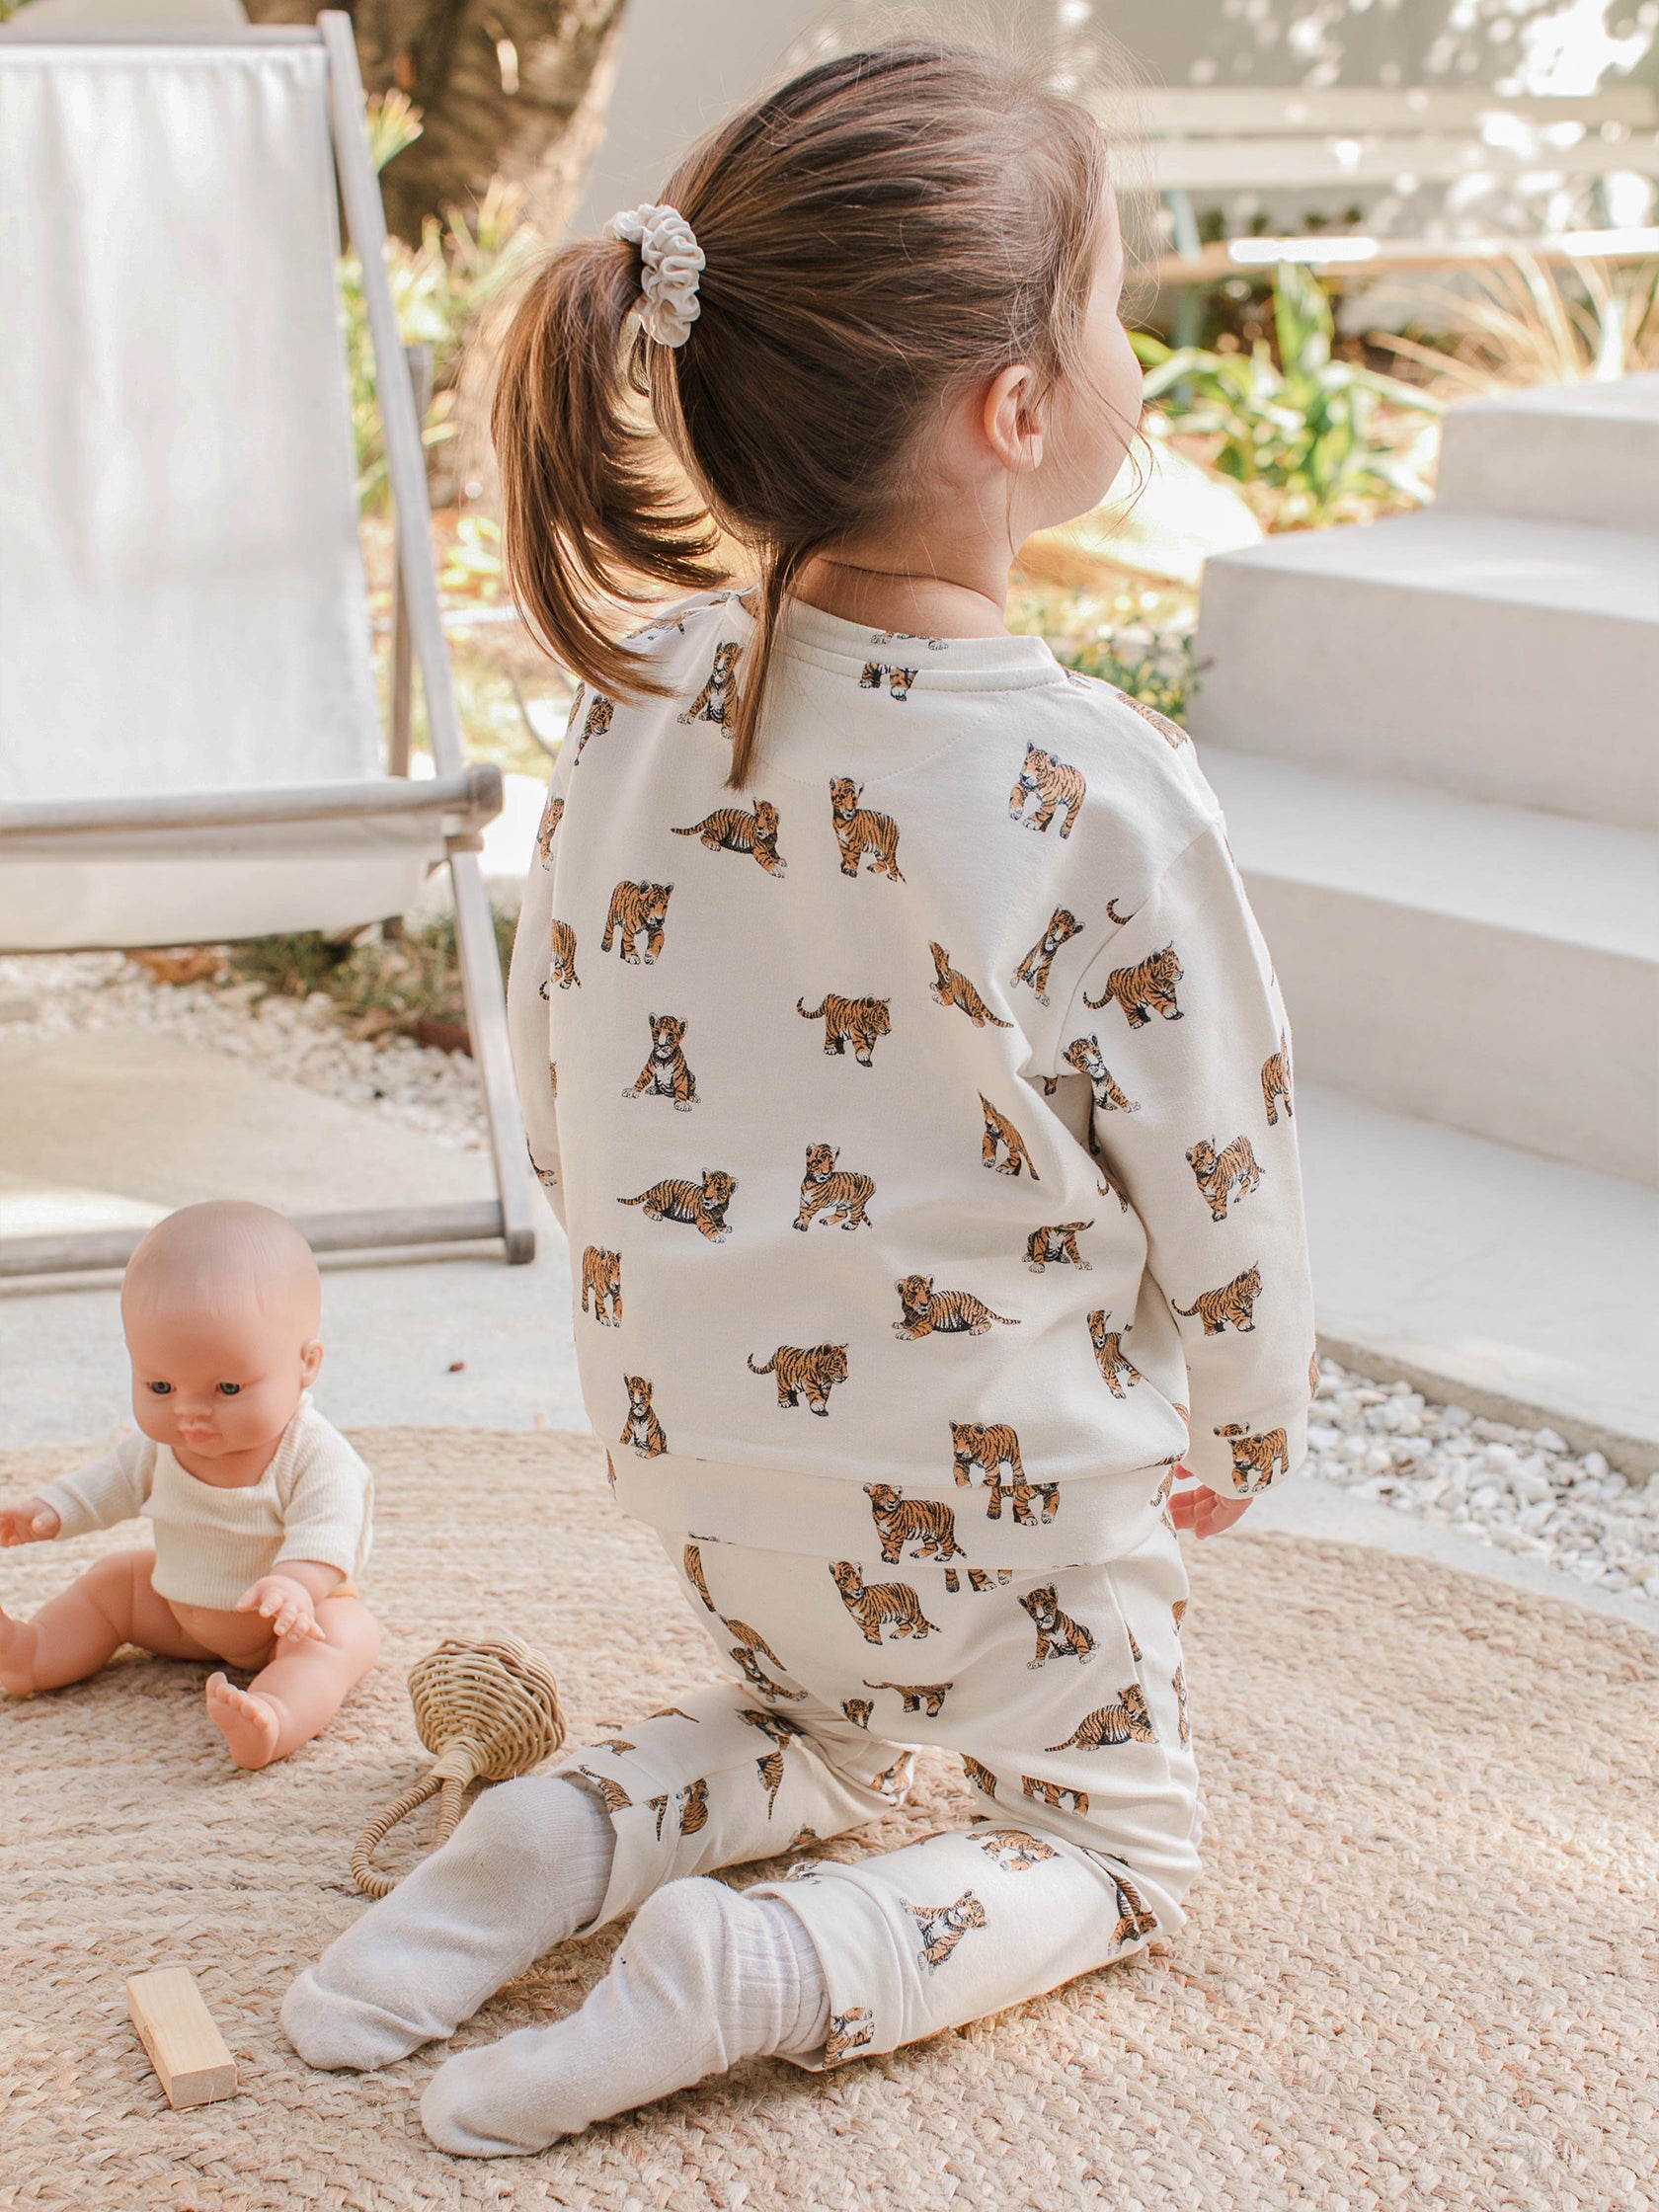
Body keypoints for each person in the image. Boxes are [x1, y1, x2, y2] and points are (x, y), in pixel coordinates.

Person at [282, 35, 1317, 2155]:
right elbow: (1223, 1162)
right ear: (1016, 412)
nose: (1130, 353)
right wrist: (1246, 1416)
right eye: (1112, 307)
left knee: (817, 1715)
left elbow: (564, 1071)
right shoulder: (1095, 786)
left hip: (701, 1458)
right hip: (1000, 1487)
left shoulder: (637, 690)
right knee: (1111, 1838)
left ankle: (549, 1840)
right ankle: (764, 1966)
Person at [0, 1200, 378, 1767]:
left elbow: (330, 1530)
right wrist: (50, 1510)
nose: (189, 1413)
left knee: (340, 1637)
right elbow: (109, 1482)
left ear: (306, 1363)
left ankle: (274, 1717)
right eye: (160, 1387)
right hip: (178, 1611)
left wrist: (296, 1584)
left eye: (227, 1389)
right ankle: (35, 1652)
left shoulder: (316, 1455)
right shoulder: (163, 1446)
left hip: (285, 1622)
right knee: (115, 1580)